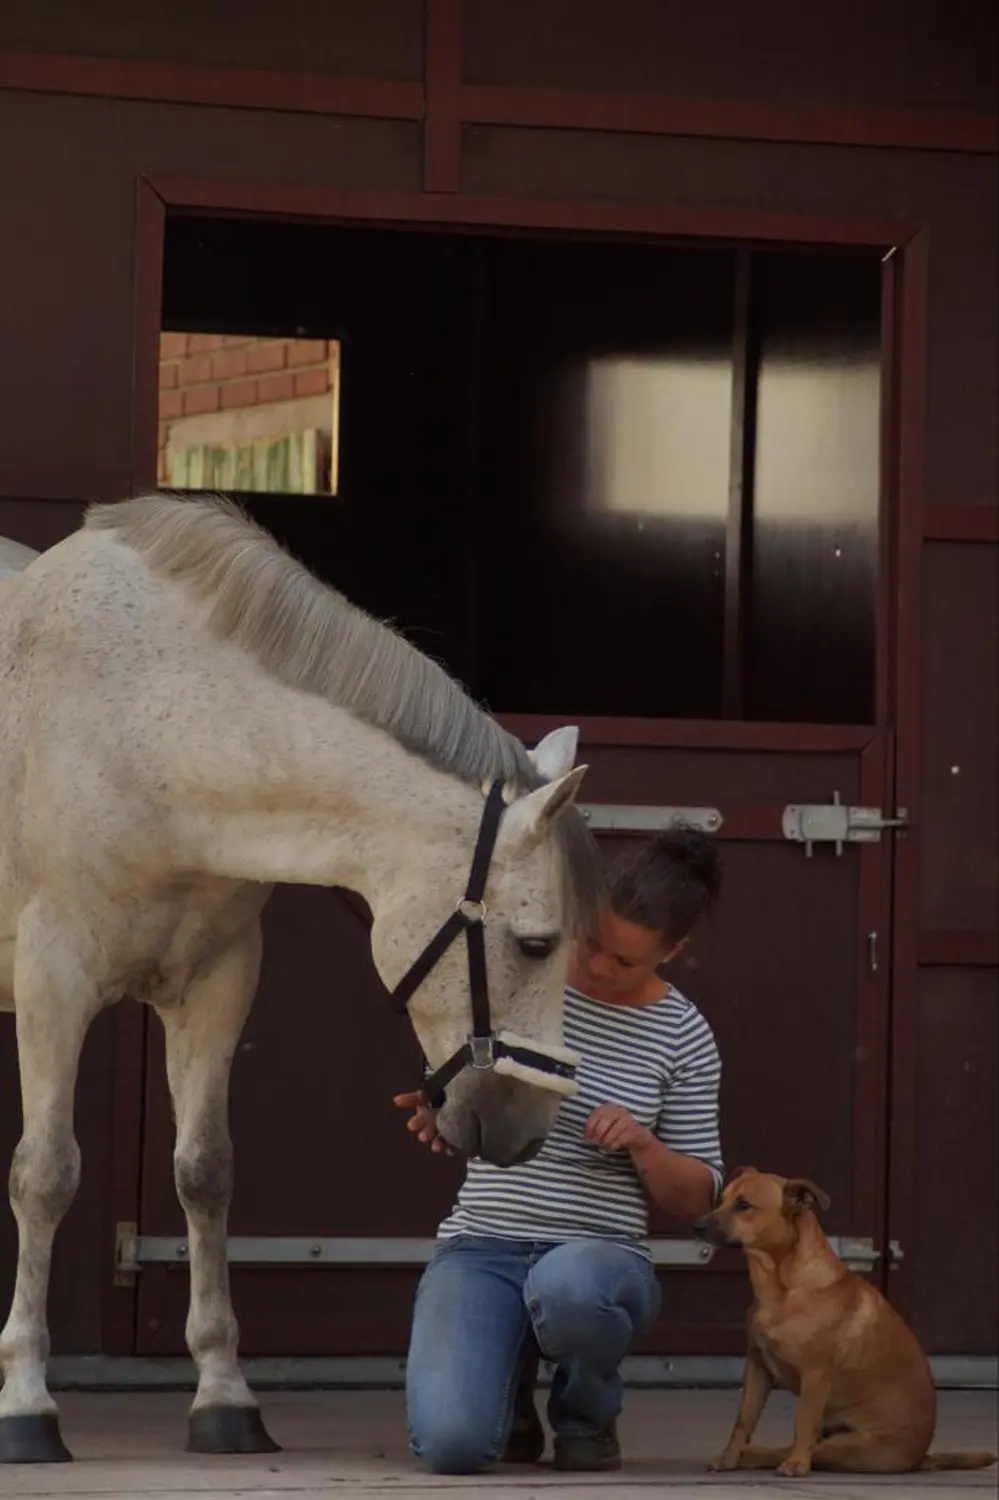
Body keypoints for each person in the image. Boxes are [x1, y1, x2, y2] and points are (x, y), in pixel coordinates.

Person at [394, 825, 724, 1474]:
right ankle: (508, 1394)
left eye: (625, 961)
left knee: (569, 1285)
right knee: (451, 1447)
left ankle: (587, 1417)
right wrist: (445, 1113)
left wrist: (643, 1145)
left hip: (597, 1260)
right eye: (591, 942)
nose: (599, 966)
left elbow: (699, 1195)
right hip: (483, 1244)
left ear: (674, 950)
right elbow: (463, 1093)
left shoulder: (683, 1033)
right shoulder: (522, 979)